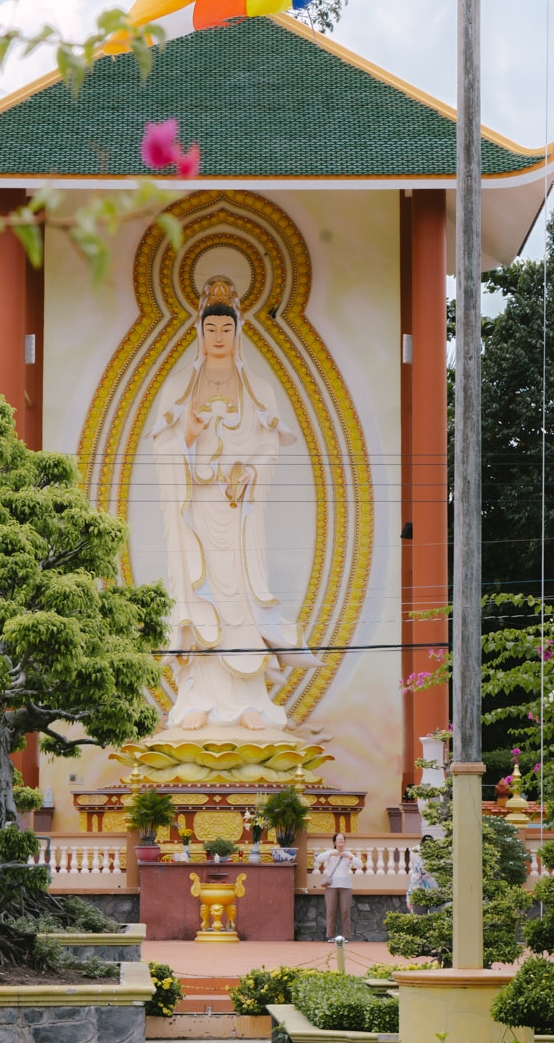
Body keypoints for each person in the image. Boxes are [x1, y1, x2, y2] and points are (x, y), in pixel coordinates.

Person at [149, 275, 319, 734]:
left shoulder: (258, 388)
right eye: (211, 330)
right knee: (199, 601)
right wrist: (185, 436)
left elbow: (270, 447)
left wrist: (250, 473)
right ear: (199, 334)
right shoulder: (181, 387)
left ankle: (249, 700)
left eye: (226, 328)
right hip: (196, 511)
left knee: (237, 602)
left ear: (238, 331)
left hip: (240, 513)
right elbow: (162, 450)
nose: (218, 337)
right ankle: (199, 699)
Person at [316, 832, 356, 940]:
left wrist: (350, 857)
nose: (341, 841)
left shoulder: (348, 854)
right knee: (331, 911)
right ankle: (330, 936)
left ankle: (346, 936)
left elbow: (359, 864)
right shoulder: (330, 852)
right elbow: (318, 859)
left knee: (345, 911)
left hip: (345, 886)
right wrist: (330, 854)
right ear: (334, 842)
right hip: (331, 886)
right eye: (339, 839)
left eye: (342, 839)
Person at [404, 843, 438, 915]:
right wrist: (409, 898)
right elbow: (414, 881)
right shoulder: (420, 862)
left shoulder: (441, 861)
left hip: (438, 895)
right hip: (421, 894)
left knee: (437, 920)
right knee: (419, 920)